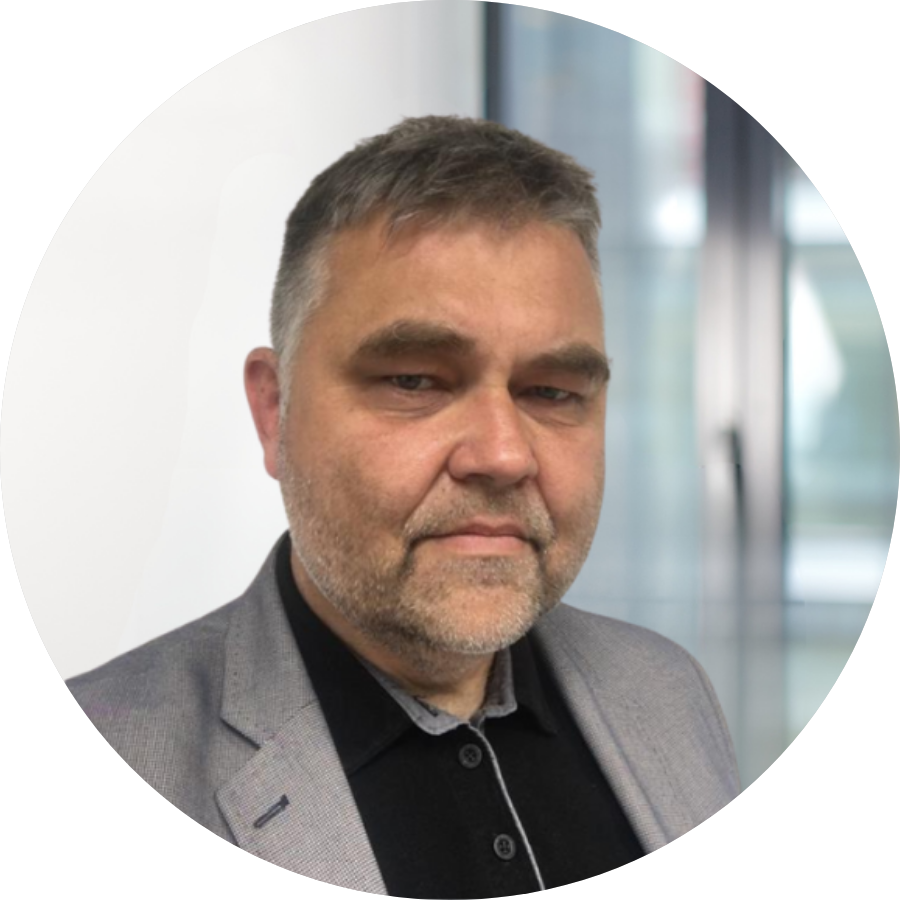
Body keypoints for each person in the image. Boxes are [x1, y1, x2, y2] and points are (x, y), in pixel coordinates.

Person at [68, 116, 740, 897]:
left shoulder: (668, 690)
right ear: (275, 412)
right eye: (414, 380)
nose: (503, 455)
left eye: (552, 392)